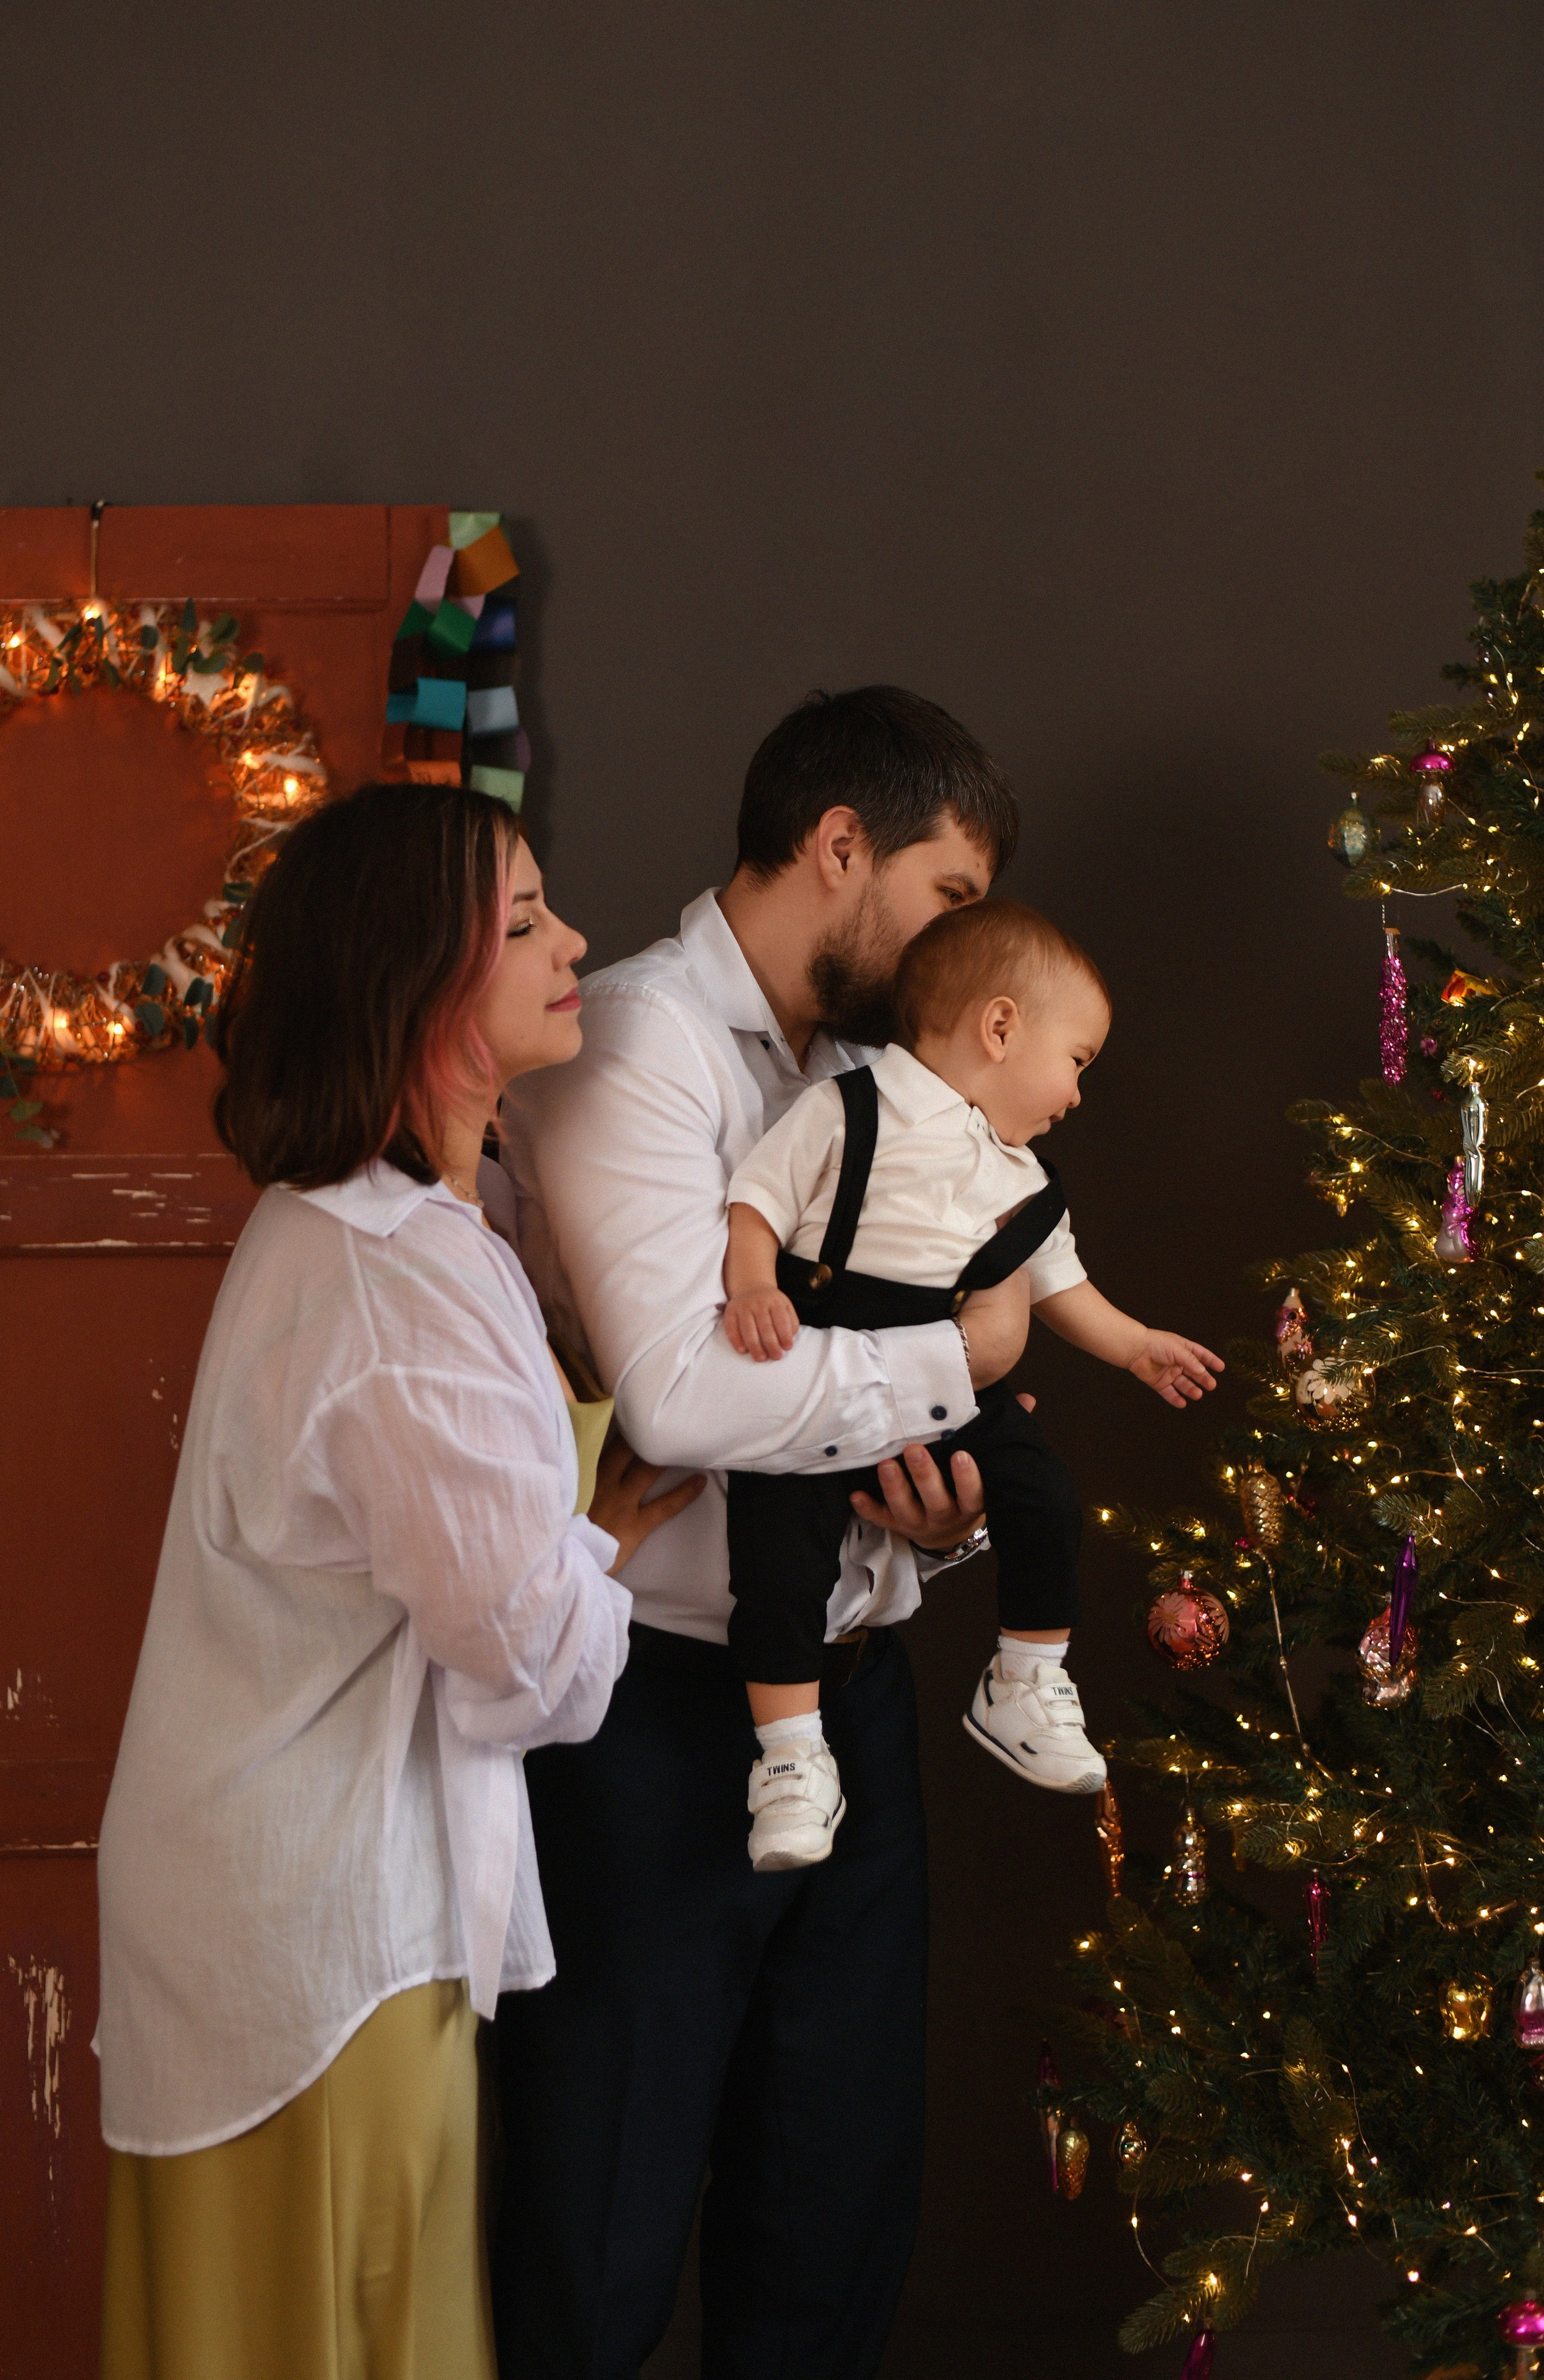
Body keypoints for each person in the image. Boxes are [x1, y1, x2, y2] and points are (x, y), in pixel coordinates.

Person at [95, 781, 700, 2380]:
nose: (575, 943)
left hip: (280, 1902)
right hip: (319, 1930)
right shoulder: (395, 1275)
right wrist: (604, 1542)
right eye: (525, 922)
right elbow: (535, 1667)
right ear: (416, 984)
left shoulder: (376, 1227)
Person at [496, 687, 1031, 2380]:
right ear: (839, 845)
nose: (970, 946)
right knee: (599, 2229)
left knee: (834, 2220)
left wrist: (938, 1515)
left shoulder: (882, 1073)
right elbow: (679, 1397)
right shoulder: (633, 1040)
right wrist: (954, 1365)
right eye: (949, 895)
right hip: (653, 1727)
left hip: (854, 1698)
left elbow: (866, 1386)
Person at [719, 897, 1224, 1867]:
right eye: (1076, 1060)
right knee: (777, 1556)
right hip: (821, 1365)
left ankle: (1024, 1678)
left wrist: (1135, 1347)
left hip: (939, 1377)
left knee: (1040, 1487)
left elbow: (1060, 1283)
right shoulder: (846, 1109)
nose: (1077, 1095)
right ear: (1000, 1027)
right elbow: (758, 1201)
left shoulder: (1021, 1176)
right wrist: (752, 1285)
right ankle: (787, 1754)